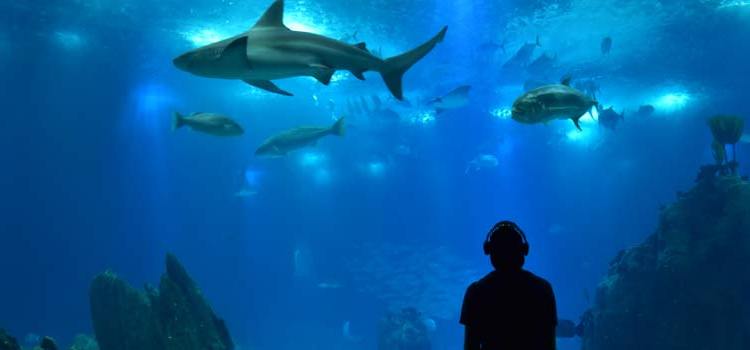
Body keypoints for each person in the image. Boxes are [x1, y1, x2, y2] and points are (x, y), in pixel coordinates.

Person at [460, 221, 557, 350]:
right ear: (523, 251)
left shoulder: (476, 292)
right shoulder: (543, 289)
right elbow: (549, 344)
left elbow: (470, 346)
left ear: (490, 252)